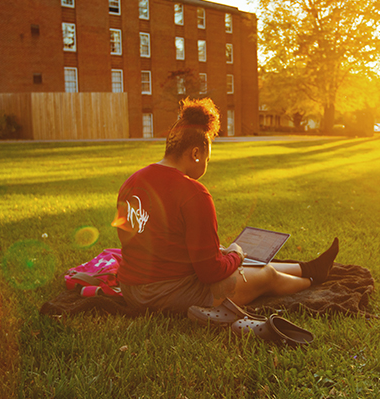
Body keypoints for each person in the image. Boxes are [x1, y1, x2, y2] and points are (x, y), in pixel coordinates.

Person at [111, 98, 338, 314]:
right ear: (196, 153)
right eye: (208, 159)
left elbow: (131, 238)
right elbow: (211, 272)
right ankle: (311, 282)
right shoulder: (194, 193)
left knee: (229, 257)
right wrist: (235, 255)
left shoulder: (131, 182)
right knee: (265, 274)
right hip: (166, 293)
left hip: (132, 289)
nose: (207, 164)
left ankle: (309, 269)